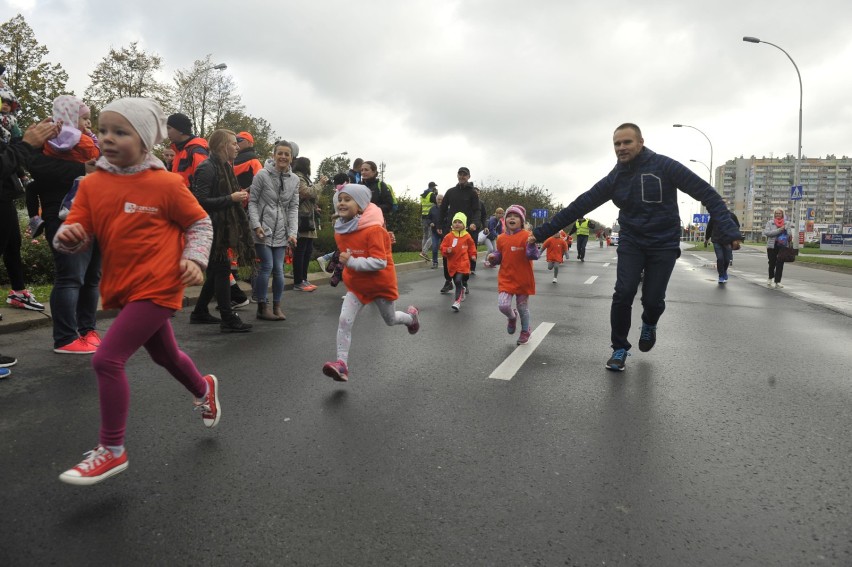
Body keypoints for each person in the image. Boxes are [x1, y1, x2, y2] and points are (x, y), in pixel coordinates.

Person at [53, 97, 219, 485]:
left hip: (160, 283)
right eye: (105, 130)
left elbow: (200, 224)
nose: (108, 138)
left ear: (144, 141)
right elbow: (74, 233)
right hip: (125, 287)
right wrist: (69, 237)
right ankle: (203, 387)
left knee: (106, 360)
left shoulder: (165, 183)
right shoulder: (92, 185)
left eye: (120, 132)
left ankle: (112, 450)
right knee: (165, 355)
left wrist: (195, 259)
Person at [531, 123, 742, 371]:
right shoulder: (615, 178)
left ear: (640, 142)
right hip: (632, 240)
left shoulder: (665, 166)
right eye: (617, 144)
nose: (621, 148)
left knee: (652, 300)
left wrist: (728, 230)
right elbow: (579, 206)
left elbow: (707, 193)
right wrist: (539, 233)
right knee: (623, 292)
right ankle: (619, 348)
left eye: (627, 142)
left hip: (663, 242)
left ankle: (649, 323)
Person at [322, 184, 419, 382]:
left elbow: (379, 262)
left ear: (360, 205)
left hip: (380, 285)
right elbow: (346, 253)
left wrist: (351, 262)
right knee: (343, 321)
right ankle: (341, 365)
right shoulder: (340, 230)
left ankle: (411, 318)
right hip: (357, 287)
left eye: (347, 199)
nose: (342, 203)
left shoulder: (374, 230)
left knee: (390, 320)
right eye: (340, 199)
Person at [29, 95, 102, 353]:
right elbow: (39, 172)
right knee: (71, 278)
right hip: (64, 218)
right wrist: (82, 170)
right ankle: (65, 337)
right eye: (83, 118)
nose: (87, 124)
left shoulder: (90, 144)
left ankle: (87, 330)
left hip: (96, 217)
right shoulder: (46, 142)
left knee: (92, 279)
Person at [1, 117, 61, 374]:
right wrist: (26, 144)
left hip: (4, 197)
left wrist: (23, 140)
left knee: (12, 247)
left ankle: (18, 292)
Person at [188, 129, 255, 332]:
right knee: (222, 270)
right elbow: (198, 202)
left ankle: (199, 312)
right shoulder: (207, 167)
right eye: (233, 143)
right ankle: (227, 318)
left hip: (219, 229)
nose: (237, 147)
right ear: (222, 146)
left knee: (217, 271)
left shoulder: (224, 166)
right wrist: (230, 199)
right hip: (210, 229)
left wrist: (235, 196)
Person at [248, 140, 299, 318]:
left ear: (291, 158)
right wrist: (256, 225)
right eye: (280, 153)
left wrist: (292, 233)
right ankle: (262, 306)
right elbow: (252, 202)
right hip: (262, 230)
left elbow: (293, 207)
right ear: (274, 155)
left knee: (279, 269)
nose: (283, 157)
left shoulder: (295, 180)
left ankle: (277, 306)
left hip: (281, 232)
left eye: (287, 154)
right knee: (267, 266)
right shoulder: (262, 175)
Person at [487, 205, 540, 345]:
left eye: (516, 216)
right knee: (503, 305)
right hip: (506, 278)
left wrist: (531, 245)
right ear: (505, 220)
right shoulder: (501, 238)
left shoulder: (527, 236)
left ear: (521, 221)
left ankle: (525, 331)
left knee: (522, 308)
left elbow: (533, 255)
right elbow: (500, 255)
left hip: (523, 278)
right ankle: (512, 317)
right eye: (509, 215)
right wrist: (493, 257)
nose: (512, 218)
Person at [438, 167, 480, 293]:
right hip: (451, 230)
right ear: (457, 176)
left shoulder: (472, 193)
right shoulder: (451, 192)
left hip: (466, 230)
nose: (462, 177)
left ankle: (464, 282)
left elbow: (477, 210)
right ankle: (448, 281)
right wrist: (440, 225)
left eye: (465, 175)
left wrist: (475, 223)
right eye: (460, 174)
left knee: (464, 257)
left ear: (468, 177)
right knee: (447, 254)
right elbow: (443, 209)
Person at [292, 156, 326, 292]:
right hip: (302, 218)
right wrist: (320, 184)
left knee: (307, 251)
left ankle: (304, 279)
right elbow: (306, 192)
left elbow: (314, 196)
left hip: (309, 218)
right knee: (300, 251)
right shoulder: (298, 177)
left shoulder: (305, 178)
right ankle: (298, 281)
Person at [440, 212, 477, 311]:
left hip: (463, 262)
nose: (457, 224)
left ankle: (457, 302)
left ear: (464, 225)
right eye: (455, 222)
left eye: (460, 222)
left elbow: (472, 246)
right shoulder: (449, 236)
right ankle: (462, 289)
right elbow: (442, 247)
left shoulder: (467, 236)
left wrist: (473, 255)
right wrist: (446, 250)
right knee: (457, 281)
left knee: (457, 281)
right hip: (452, 263)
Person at [166, 112, 209, 188]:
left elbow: (205, 184)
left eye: (169, 128)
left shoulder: (196, 151)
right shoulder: (180, 150)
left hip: (190, 198)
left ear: (181, 130)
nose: (167, 132)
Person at [705, 205, 740, 284]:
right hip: (716, 240)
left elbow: (737, 226)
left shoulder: (732, 216)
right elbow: (709, 227)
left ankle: (724, 271)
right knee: (720, 258)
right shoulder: (714, 216)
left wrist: (735, 237)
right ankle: (721, 276)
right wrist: (707, 238)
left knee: (727, 259)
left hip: (728, 240)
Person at [359, 160, 397, 224]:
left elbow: (389, 205)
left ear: (374, 172)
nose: (363, 172)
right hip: (360, 221)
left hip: (377, 221)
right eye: (362, 170)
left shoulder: (381, 185)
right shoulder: (358, 186)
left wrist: (371, 209)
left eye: (366, 170)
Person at [763, 208, 788, 289]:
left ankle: (778, 281)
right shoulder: (770, 223)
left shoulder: (786, 223)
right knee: (772, 263)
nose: (778, 215)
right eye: (776, 213)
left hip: (782, 246)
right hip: (772, 246)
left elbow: (790, 233)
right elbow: (767, 233)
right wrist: (779, 230)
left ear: (782, 214)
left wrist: (788, 232)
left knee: (780, 264)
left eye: (779, 213)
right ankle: (770, 278)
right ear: (774, 214)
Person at [419, 181, 438, 261]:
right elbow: (437, 203)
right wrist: (436, 194)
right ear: (433, 187)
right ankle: (424, 252)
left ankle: (424, 253)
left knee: (425, 236)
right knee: (432, 235)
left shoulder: (422, 196)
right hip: (430, 217)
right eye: (435, 187)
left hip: (423, 217)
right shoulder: (431, 195)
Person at [426, 194, 443, 269]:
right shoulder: (432, 209)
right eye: (438, 199)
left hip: (444, 231)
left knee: (445, 248)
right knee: (435, 247)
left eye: (441, 199)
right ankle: (435, 262)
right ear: (436, 200)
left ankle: (447, 262)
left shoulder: (447, 209)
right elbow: (428, 218)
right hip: (435, 232)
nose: (440, 201)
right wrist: (430, 223)